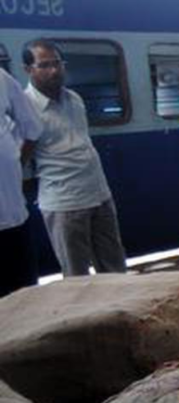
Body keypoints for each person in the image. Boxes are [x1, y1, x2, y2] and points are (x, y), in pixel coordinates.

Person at [23, 39, 128, 277]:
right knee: (76, 276)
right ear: (28, 70)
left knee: (115, 267)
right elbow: (20, 157)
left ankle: (117, 315)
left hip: (99, 195)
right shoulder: (25, 107)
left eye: (58, 63)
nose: (54, 70)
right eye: (45, 65)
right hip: (64, 203)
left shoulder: (74, 99)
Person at [0, 67, 43, 297]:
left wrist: (15, 164)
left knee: (24, 300)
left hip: (12, 217)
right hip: (12, 217)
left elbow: (32, 127)